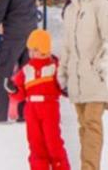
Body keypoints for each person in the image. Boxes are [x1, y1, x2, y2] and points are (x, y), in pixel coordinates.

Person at [59, 0, 108, 170]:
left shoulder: (102, 7)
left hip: (95, 77)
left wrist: (102, 69)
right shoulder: (70, 10)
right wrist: (63, 73)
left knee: (92, 124)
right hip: (77, 78)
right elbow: (67, 44)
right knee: (83, 125)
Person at [6, 29, 70, 170]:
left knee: (53, 143)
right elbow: (19, 92)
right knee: (35, 144)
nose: (31, 54)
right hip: (31, 110)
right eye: (30, 50)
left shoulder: (54, 67)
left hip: (49, 108)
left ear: (44, 50)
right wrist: (13, 89)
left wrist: (66, 88)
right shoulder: (26, 69)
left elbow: (62, 85)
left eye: (35, 50)